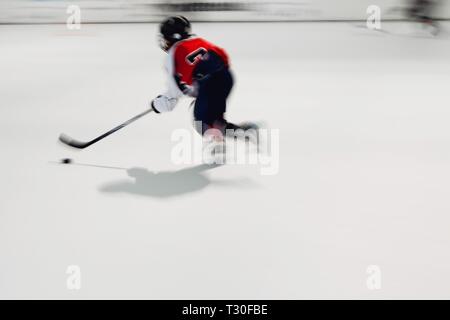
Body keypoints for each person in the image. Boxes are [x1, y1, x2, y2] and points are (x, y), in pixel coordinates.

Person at [150, 15, 258, 144]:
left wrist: (159, 104)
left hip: (209, 83)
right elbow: (223, 56)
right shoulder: (199, 41)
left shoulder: (173, 53)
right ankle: (246, 132)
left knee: (201, 121)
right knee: (215, 121)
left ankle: (217, 147)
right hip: (226, 77)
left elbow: (174, 92)